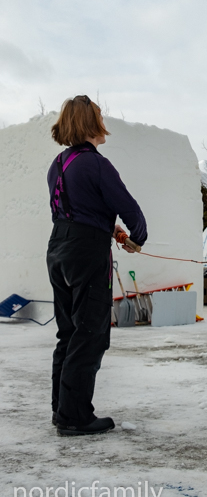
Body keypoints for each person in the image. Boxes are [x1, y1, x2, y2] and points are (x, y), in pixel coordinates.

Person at [46, 95, 147, 437]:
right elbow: (128, 206)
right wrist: (138, 235)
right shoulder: (97, 164)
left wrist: (109, 228)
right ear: (91, 123)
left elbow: (76, 207)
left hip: (59, 247)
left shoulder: (58, 164)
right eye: (100, 118)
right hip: (87, 252)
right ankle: (75, 416)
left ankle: (62, 409)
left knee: (69, 332)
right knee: (90, 333)